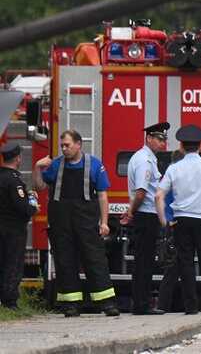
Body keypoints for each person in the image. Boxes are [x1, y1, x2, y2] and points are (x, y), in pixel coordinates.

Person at [32, 130, 119, 317]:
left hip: (86, 222)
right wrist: (37, 168)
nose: (64, 149)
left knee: (95, 260)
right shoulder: (55, 165)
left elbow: (103, 196)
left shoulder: (94, 164)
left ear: (79, 144)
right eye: (62, 145)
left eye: (67, 145)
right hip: (61, 223)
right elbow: (39, 187)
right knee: (65, 261)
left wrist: (104, 222)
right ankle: (71, 304)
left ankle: (106, 303)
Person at [155, 124, 201, 319]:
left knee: (185, 263)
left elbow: (159, 196)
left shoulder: (174, 168)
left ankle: (191, 306)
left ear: (181, 145)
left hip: (181, 221)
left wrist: (164, 221)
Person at [122, 122, 169, 315]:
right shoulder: (144, 161)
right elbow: (141, 193)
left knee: (145, 261)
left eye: (164, 140)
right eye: (159, 139)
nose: (162, 143)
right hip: (145, 215)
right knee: (144, 262)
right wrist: (131, 212)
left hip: (146, 215)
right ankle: (141, 305)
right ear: (148, 138)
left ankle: (142, 303)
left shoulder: (148, 158)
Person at [0, 144, 38, 309]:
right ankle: (9, 302)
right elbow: (24, 208)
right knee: (12, 264)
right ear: (17, 158)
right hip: (13, 231)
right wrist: (33, 204)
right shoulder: (14, 181)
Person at [157, 150, 183, 313]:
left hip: (171, 225)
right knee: (175, 268)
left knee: (173, 268)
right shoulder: (176, 176)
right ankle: (164, 305)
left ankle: (165, 305)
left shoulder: (167, 175)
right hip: (176, 225)